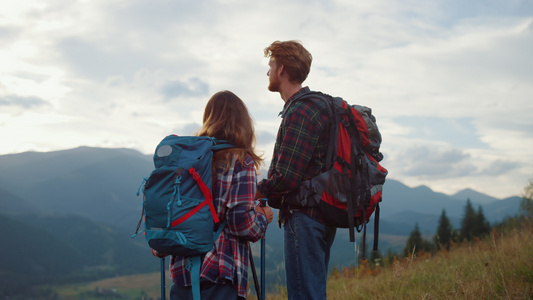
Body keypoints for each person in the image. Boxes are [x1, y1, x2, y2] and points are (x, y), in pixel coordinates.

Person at [155, 90, 274, 300]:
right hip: (220, 273)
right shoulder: (240, 161)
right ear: (243, 122)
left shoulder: (189, 161)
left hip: (183, 273)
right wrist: (263, 217)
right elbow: (241, 223)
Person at [256, 40, 337, 300]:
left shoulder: (301, 110)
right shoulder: (315, 107)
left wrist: (254, 191)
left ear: (281, 69)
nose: (267, 72)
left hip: (305, 218)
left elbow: (286, 178)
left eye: (270, 65)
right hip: (322, 215)